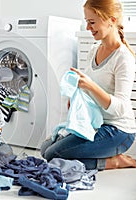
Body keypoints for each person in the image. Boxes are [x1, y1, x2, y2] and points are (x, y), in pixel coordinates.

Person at [41, 0, 136, 170]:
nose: (88, 28)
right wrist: (77, 94)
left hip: (118, 131)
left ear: (111, 20)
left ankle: (113, 162)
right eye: (87, 22)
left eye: (92, 22)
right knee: (44, 149)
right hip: (96, 124)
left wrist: (91, 86)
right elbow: (88, 86)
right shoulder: (94, 49)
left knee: (51, 156)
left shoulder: (123, 58)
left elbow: (120, 108)